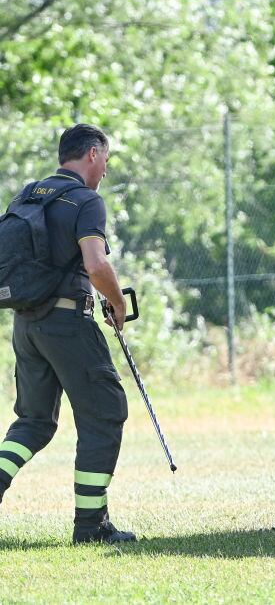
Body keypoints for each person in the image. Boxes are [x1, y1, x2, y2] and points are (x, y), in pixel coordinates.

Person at [0, 124, 135, 544]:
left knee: (34, 422)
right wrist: (118, 302)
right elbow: (96, 266)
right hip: (67, 322)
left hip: (26, 324)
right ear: (92, 154)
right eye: (106, 162)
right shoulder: (86, 201)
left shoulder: (27, 197)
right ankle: (90, 527)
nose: (105, 173)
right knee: (104, 413)